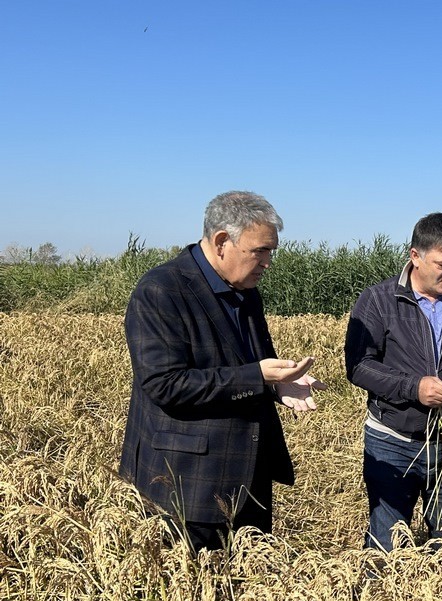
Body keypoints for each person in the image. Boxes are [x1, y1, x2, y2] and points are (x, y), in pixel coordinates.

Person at [119, 191, 323, 552]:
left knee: (244, 592)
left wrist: (281, 386)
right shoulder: (160, 291)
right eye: (260, 251)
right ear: (221, 241)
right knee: (190, 595)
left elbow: (253, 362)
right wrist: (258, 378)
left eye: (271, 251)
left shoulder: (246, 292)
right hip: (185, 484)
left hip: (248, 479)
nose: (267, 262)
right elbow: (165, 385)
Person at [344, 213, 442, 552]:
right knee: (387, 539)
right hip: (392, 441)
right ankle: (382, 598)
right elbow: (359, 367)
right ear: (415, 256)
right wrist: (413, 388)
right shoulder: (379, 300)